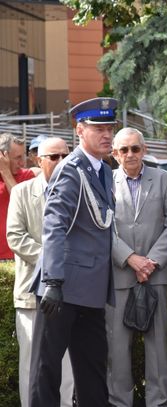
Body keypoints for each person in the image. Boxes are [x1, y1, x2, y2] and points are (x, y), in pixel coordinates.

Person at [28, 97, 117, 407]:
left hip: (90, 288)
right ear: (80, 130)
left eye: (110, 128)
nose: (107, 135)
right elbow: (53, 225)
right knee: (47, 368)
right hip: (62, 287)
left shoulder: (103, 171)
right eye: (99, 129)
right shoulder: (71, 169)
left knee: (93, 368)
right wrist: (52, 281)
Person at [107, 127, 167, 406]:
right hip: (119, 275)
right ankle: (119, 402)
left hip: (155, 275)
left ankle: (159, 402)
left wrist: (151, 261)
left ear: (144, 150)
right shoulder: (105, 182)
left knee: (158, 349)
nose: (130, 154)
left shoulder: (165, 179)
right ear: (115, 154)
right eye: (124, 150)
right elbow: (102, 228)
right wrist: (130, 258)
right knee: (117, 351)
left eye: (135, 148)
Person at [6, 137, 73, 407]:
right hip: (30, 292)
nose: (60, 162)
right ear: (38, 160)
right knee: (31, 363)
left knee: (67, 363)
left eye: (65, 156)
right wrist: (52, 258)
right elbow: (15, 237)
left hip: (69, 291)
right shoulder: (22, 192)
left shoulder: (76, 190)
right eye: (53, 157)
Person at [0, 133, 35, 260]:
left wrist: (5, 172)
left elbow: (22, 204)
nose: (23, 162)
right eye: (17, 157)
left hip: (18, 257)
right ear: (3, 156)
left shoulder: (27, 176)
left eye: (23, 156)